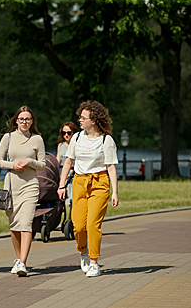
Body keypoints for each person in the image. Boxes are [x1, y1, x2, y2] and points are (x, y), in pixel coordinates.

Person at [57, 100, 119, 277]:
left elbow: (111, 167)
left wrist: (114, 192)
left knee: (92, 224)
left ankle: (94, 262)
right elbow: (68, 162)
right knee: (78, 226)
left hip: (99, 184)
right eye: (80, 117)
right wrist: (61, 185)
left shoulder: (106, 140)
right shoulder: (77, 138)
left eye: (83, 118)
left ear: (94, 120)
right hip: (79, 182)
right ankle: (83, 252)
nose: (80, 121)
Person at [0, 105, 46, 277]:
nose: (25, 122)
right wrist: (13, 165)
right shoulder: (8, 138)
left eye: (28, 119)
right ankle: (18, 259)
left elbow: (43, 164)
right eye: (22, 119)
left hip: (30, 185)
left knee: (26, 223)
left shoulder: (37, 139)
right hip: (11, 185)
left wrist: (29, 161)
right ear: (16, 120)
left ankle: (23, 262)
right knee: (14, 225)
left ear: (32, 122)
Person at [56, 121, 79, 209]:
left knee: (74, 202)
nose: (66, 135)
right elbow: (58, 160)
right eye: (64, 133)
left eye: (69, 133)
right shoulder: (60, 145)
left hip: (74, 176)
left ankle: (73, 220)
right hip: (64, 177)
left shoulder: (77, 145)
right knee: (63, 201)